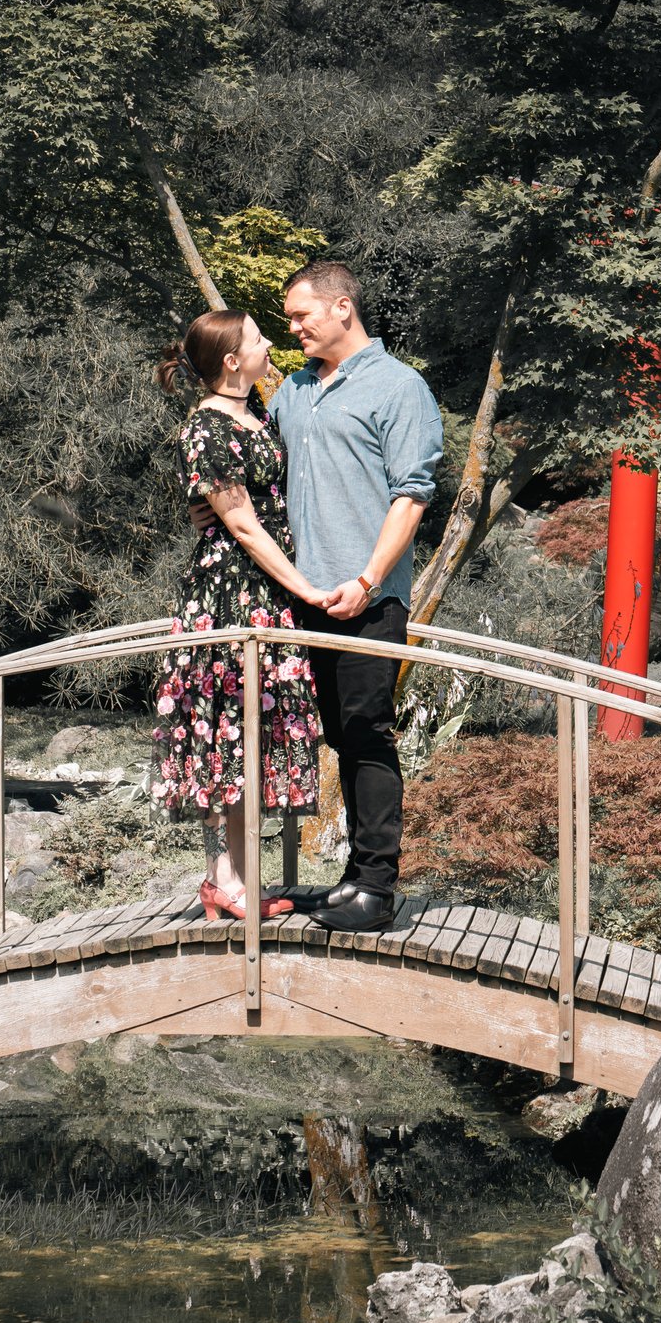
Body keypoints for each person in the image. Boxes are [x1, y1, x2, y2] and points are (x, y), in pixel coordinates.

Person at [266, 261, 443, 933]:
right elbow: (256, 462)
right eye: (287, 318)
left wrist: (367, 579)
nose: (294, 327)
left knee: (367, 732)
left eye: (301, 314)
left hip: (367, 598)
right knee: (338, 734)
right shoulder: (296, 390)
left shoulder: (400, 388)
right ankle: (352, 876)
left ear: (342, 307)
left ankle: (377, 887)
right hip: (306, 597)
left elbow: (413, 495)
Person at [150, 308, 330, 921]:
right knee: (222, 732)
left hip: (265, 595)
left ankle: (237, 881)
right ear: (232, 360)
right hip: (231, 597)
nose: (267, 343)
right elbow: (245, 527)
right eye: (256, 337)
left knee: (251, 733)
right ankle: (221, 880)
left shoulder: (256, 416)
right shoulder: (203, 429)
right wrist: (305, 589)